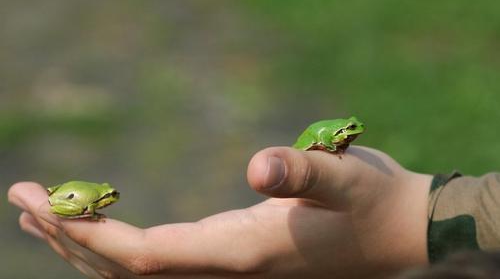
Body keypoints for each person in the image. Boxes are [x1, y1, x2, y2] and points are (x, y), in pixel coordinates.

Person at [7, 145, 492, 278]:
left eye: (106, 198)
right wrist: (414, 218)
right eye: (107, 199)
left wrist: (405, 224)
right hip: (69, 199)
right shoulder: (91, 199)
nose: (109, 201)